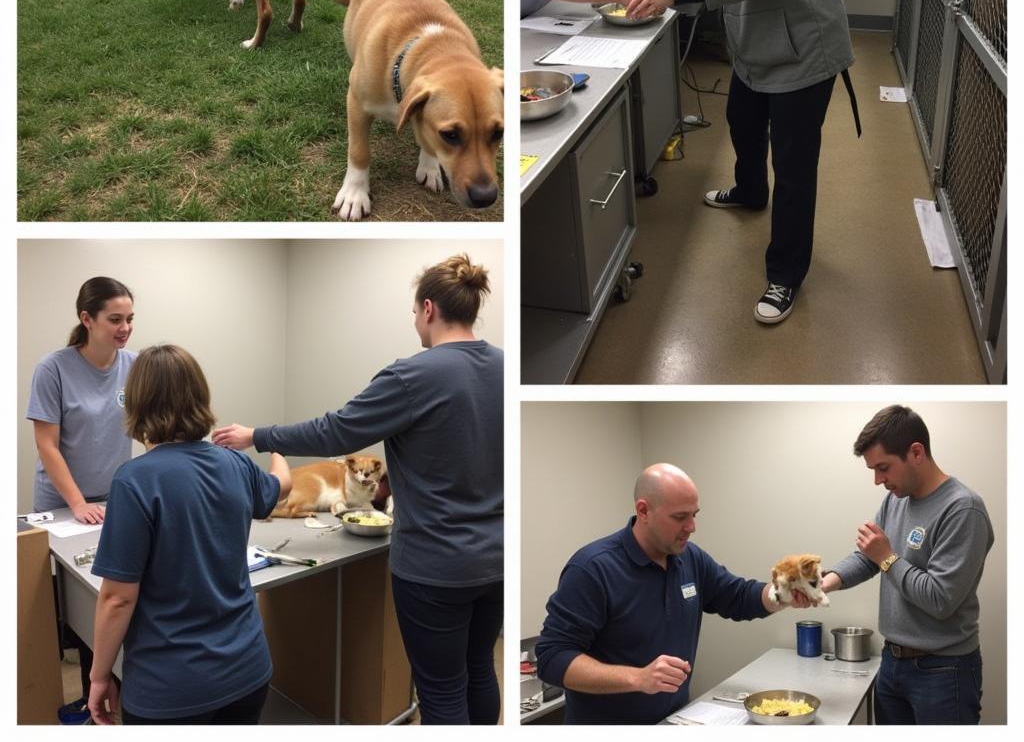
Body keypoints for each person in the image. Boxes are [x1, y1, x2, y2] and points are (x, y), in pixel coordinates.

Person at [213, 254, 503, 725]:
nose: (415, 322)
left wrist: (258, 436)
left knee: (442, 689)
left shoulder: (413, 375)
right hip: (496, 561)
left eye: (414, 313)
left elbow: (335, 432)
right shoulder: (504, 368)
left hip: (435, 568)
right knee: (478, 671)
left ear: (428, 309)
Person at [626, 0, 860, 324]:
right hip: (755, 47)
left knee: (795, 167)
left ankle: (785, 275)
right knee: (742, 122)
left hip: (804, 51)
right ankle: (751, 191)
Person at [87, 344, 291, 725]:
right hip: (248, 671)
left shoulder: (134, 481)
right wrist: (273, 443)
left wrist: (99, 676)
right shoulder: (236, 464)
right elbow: (282, 485)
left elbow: (116, 599)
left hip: (171, 689)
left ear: (139, 403)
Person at [535, 463, 812, 725]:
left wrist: (782, 593)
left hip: (674, 721)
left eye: (694, 515)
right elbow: (552, 657)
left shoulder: (690, 558)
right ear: (643, 511)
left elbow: (738, 597)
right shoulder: (593, 569)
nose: (691, 527)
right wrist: (638, 678)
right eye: (680, 517)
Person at [820, 405, 993, 725]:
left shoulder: (964, 509)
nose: (877, 480)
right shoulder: (895, 499)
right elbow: (869, 557)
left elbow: (940, 599)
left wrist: (887, 557)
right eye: (873, 470)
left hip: (944, 669)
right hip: (892, 663)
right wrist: (826, 582)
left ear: (916, 452)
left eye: (883, 468)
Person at [26, 276, 137, 715]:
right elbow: (47, 444)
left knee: (106, 592)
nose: (125, 327)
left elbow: (148, 431)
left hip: (115, 500)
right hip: (63, 504)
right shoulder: (52, 368)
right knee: (72, 608)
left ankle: (105, 688)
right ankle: (87, 692)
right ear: (86, 319)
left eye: (129, 318)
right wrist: (76, 504)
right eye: (115, 319)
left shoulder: (136, 364)